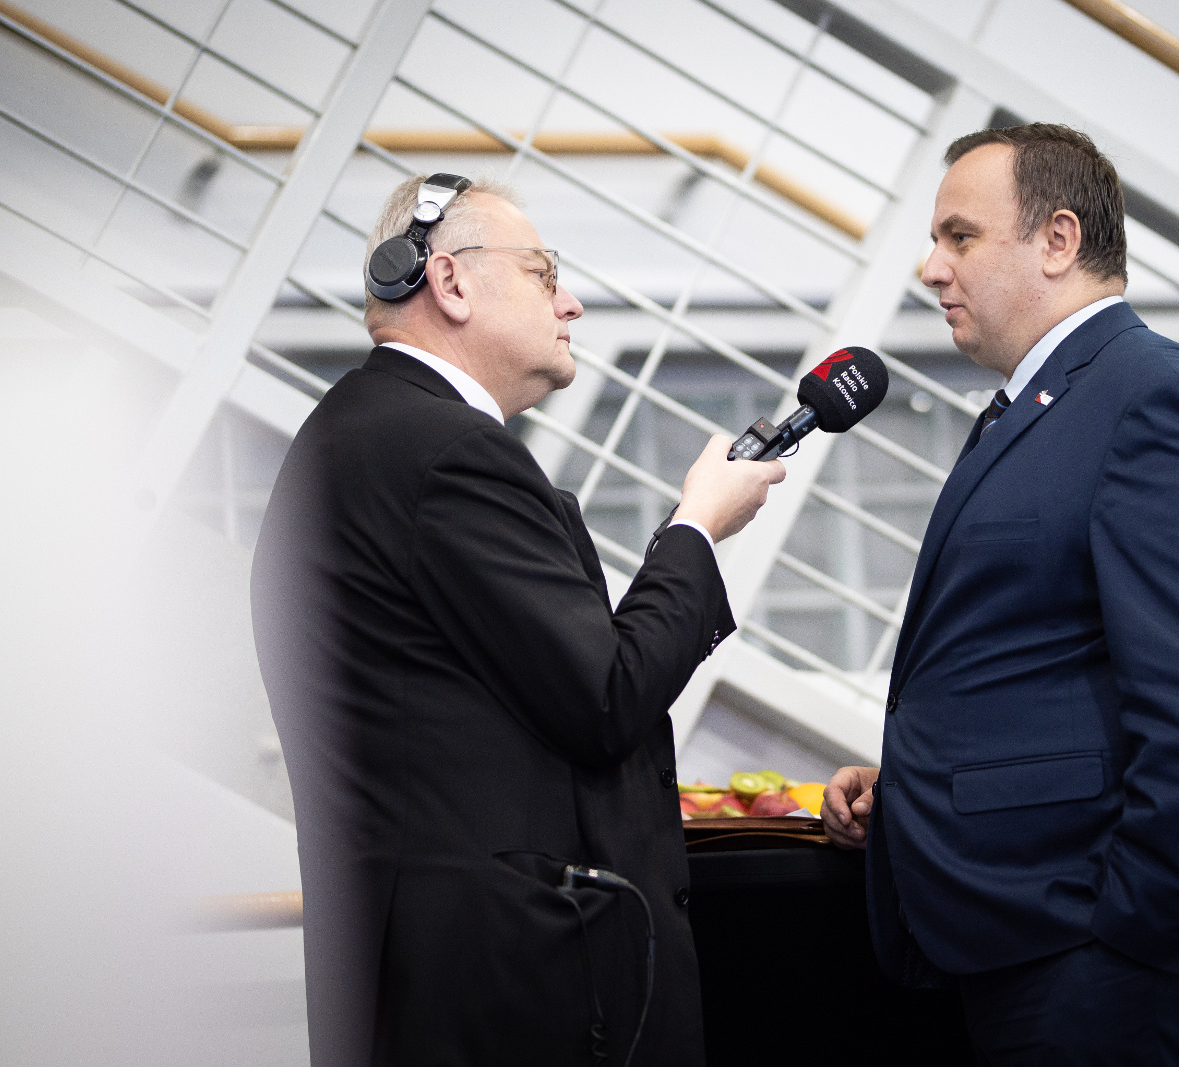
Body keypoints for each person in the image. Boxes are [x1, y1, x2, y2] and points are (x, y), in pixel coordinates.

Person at [251, 173, 785, 1067]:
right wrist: (697, 526)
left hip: (429, 984)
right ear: (451, 283)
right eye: (544, 273)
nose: (570, 303)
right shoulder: (448, 453)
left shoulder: (359, 432)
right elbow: (606, 694)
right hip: (502, 997)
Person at [820, 125, 1179, 1064]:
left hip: (1100, 956)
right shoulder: (1043, 404)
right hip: (1034, 941)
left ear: (1059, 240)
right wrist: (917, 791)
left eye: (959, 237)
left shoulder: (1152, 396)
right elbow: (1048, 661)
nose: (930, 268)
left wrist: (1133, 932)